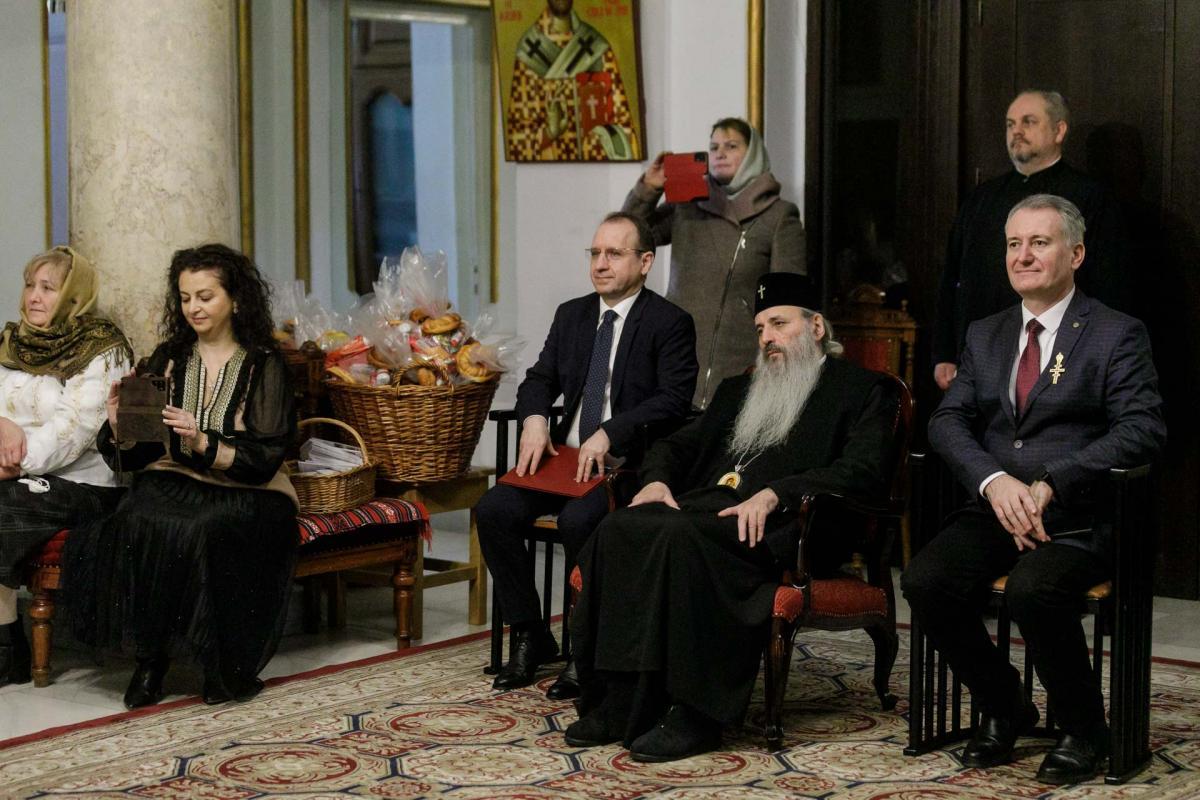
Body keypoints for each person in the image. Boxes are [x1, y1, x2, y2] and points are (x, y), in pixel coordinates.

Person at [565, 272, 900, 762]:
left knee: (684, 537)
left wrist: (776, 494)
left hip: (792, 527)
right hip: (710, 511)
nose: (767, 338)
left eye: (779, 324)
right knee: (620, 527)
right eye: (760, 328)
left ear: (816, 328)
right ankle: (621, 701)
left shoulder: (862, 390)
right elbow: (677, 445)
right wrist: (656, 480)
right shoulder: (737, 390)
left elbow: (863, 470)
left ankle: (696, 714)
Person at [902, 194, 1165, 784]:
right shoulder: (986, 333)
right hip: (997, 508)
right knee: (925, 581)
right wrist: (993, 481)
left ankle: (1084, 727)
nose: (1022, 256)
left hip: (1079, 515)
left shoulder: (1116, 333)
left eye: (1039, 243)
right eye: (1013, 244)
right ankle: (1005, 704)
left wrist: (1053, 481)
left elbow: (1143, 428)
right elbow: (948, 421)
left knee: (1033, 590)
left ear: (1076, 253)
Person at [63, 244, 298, 709]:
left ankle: (219, 665)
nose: (194, 308)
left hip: (248, 488)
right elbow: (138, 454)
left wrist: (203, 441)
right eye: (186, 297)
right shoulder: (168, 357)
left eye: (206, 296)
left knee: (202, 528)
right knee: (136, 518)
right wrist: (120, 424)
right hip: (173, 478)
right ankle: (150, 661)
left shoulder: (264, 363)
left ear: (236, 299)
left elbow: (266, 457)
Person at [476, 212, 696, 699]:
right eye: (595, 253)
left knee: (580, 521)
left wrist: (609, 433)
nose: (600, 263)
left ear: (645, 262)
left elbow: (674, 399)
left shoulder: (669, 322)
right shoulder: (572, 315)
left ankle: (585, 648)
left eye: (614, 253)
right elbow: (539, 379)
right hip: (564, 459)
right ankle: (531, 633)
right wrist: (535, 419)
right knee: (492, 510)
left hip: (624, 465)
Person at [0, 247, 132, 686]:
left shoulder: (102, 348)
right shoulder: (13, 342)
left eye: (48, 288)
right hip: (17, 473)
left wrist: (13, 464)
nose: (34, 296)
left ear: (75, 297)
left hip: (83, 483)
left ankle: (7, 651)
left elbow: (74, 429)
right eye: (30, 285)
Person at [933, 89, 1126, 390]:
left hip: (1062, 357)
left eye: (1029, 122)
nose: (1017, 131)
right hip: (981, 358)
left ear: (1059, 130)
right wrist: (944, 352)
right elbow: (952, 278)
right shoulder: (982, 198)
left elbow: (1107, 282)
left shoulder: (1090, 196)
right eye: (1011, 124)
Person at [623, 117, 805, 408]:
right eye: (714, 147)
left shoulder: (779, 215)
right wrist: (649, 187)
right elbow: (630, 237)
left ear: (753, 154)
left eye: (731, 146)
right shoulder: (688, 204)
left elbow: (788, 298)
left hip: (742, 354)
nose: (720, 153)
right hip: (677, 347)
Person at [505, 0, 637, 161]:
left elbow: (623, 122)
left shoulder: (597, 48)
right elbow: (517, 138)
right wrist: (550, 133)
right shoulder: (528, 52)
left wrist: (600, 141)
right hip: (549, 171)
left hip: (597, 168)